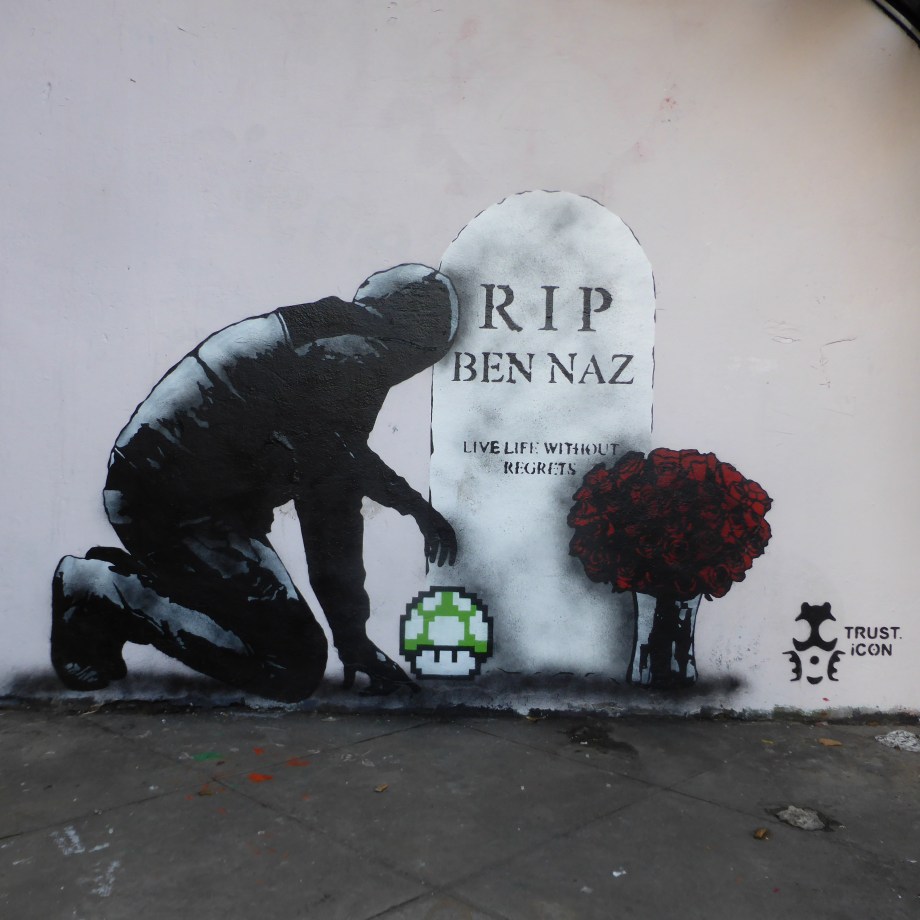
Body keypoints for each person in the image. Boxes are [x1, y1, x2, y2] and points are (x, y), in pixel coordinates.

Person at [51, 264, 458, 701]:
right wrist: (416, 508)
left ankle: (114, 592)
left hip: (187, 504)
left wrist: (351, 638)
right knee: (291, 666)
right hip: (175, 506)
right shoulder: (347, 355)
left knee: (282, 648)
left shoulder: (331, 340)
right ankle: (107, 590)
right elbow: (339, 473)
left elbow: (331, 512)